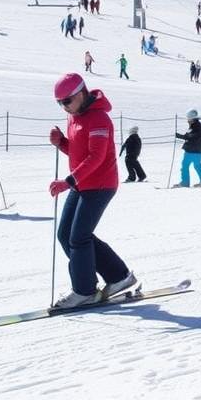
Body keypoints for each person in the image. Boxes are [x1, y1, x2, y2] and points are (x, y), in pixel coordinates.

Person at [48, 73, 137, 307]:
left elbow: (96, 157)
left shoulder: (99, 118)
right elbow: (78, 153)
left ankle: (84, 291)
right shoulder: (74, 116)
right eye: (60, 103)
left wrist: (68, 181)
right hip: (81, 183)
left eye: (66, 101)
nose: (64, 107)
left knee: (78, 237)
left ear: (81, 93)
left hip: (100, 184)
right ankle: (119, 277)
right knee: (66, 235)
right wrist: (61, 143)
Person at [174, 109, 201, 187]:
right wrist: (181, 136)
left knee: (196, 166)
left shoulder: (198, 127)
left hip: (195, 151)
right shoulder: (193, 126)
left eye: (189, 119)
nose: (187, 121)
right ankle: (186, 183)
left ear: (193, 119)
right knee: (186, 166)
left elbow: (191, 137)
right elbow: (188, 136)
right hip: (191, 150)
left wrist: (180, 136)